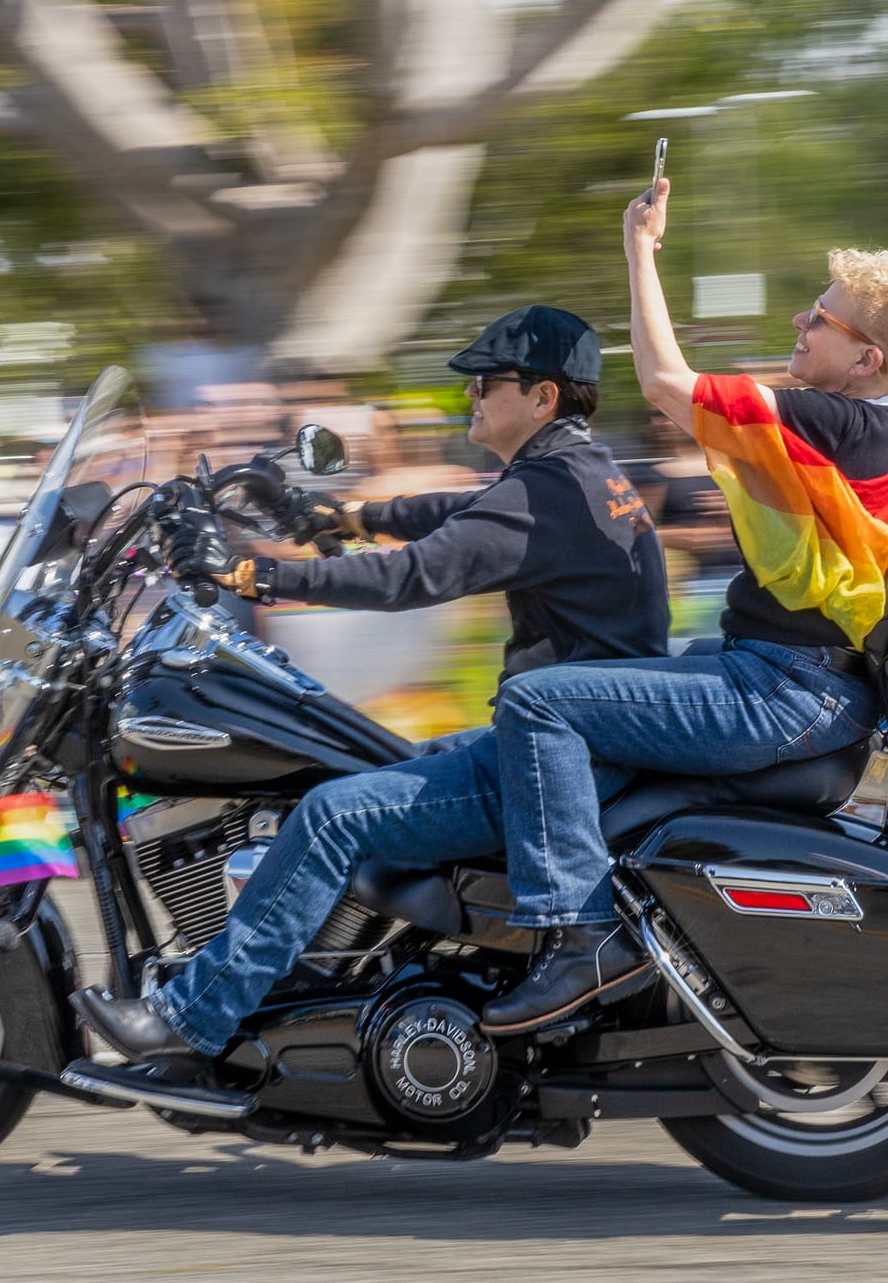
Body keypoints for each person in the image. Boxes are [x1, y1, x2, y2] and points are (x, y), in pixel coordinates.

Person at [70, 305, 670, 1072]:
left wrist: (251, 575)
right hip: (573, 746)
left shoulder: (543, 494)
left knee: (328, 815)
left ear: (543, 396)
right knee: (365, 773)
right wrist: (346, 514)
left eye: (487, 382)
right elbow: (458, 512)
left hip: (560, 763)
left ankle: (194, 1015)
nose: (472, 396)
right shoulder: (574, 475)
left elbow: (414, 575)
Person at [474, 178, 888, 1034]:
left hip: (781, 689)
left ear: (867, 359)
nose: (799, 326)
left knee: (536, 698)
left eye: (819, 319)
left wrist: (640, 248)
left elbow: (664, 380)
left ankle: (576, 935)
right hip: (796, 682)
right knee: (602, 686)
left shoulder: (836, 421)